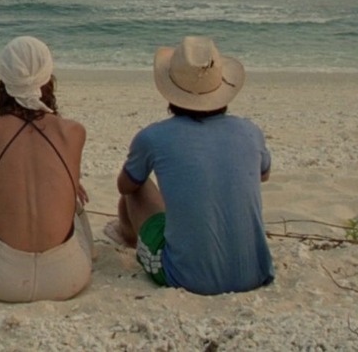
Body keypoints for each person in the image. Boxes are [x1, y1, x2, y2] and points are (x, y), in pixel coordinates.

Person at [107, 36, 274, 295]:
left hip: (186, 278)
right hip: (254, 274)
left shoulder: (153, 136)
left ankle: (130, 237)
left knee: (136, 187)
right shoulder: (250, 131)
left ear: (170, 91)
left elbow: (124, 185)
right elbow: (263, 175)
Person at [0, 36, 94, 302]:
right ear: (48, 79)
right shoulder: (74, 132)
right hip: (66, 277)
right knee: (76, 207)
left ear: (2, 82)